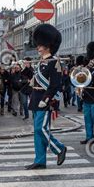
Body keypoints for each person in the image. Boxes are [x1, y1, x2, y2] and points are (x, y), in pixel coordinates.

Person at [26, 24, 67, 170]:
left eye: (41, 45)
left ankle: (59, 148)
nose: (38, 47)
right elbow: (35, 82)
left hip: (45, 100)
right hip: (36, 98)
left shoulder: (54, 62)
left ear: (48, 46)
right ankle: (40, 160)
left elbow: (55, 84)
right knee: (37, 132)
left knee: (41, 129)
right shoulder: (41, 62)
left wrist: (46, 100)